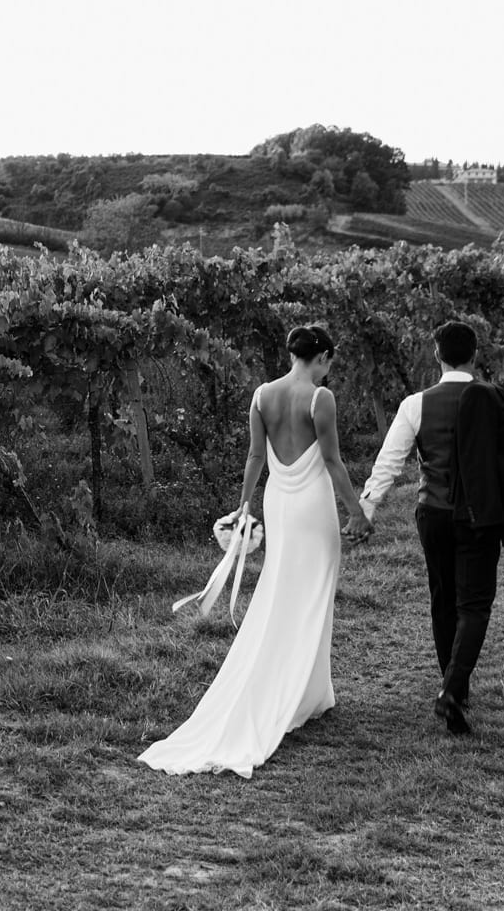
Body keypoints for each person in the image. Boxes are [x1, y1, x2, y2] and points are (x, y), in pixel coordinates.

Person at [140, 324, 374, 778]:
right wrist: (356, 512)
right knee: (313, 594)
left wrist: (244, 504)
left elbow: (254, 456)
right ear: (322, 357)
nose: (328, 370)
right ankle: (299, 693)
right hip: (312, 506)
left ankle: (310, 691)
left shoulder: (263, 395)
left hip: (279, 502)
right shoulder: (320, 398)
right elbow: (331, 460)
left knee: (284, 588)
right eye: (329, 362)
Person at [360, 319, 504, 735]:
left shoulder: (416, 404)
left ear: (436, 354)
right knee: (475, 605)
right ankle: (452, 690)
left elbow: (389, 462)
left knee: (443, 600)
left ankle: (454, 687)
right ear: (476, 354)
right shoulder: (498, 401)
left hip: (433, 514)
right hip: (479, 516)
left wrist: (365, 508)